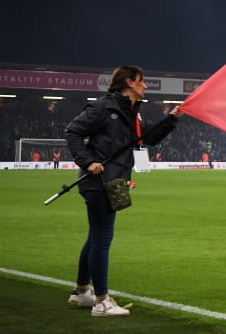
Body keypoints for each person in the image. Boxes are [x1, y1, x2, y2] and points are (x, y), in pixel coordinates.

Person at [64, 65, 182, 317]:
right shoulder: (104, 108)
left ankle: (82, 292)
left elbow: (147, 138)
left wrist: (172, 118)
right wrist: (87, 161)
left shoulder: (132, 113)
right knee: (102, 238)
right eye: (142, 81)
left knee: (95, 237)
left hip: (113, 180)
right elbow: (73, 131)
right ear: (129, 82)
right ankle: (101, 301)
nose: (145, 86)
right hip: (98, 181)